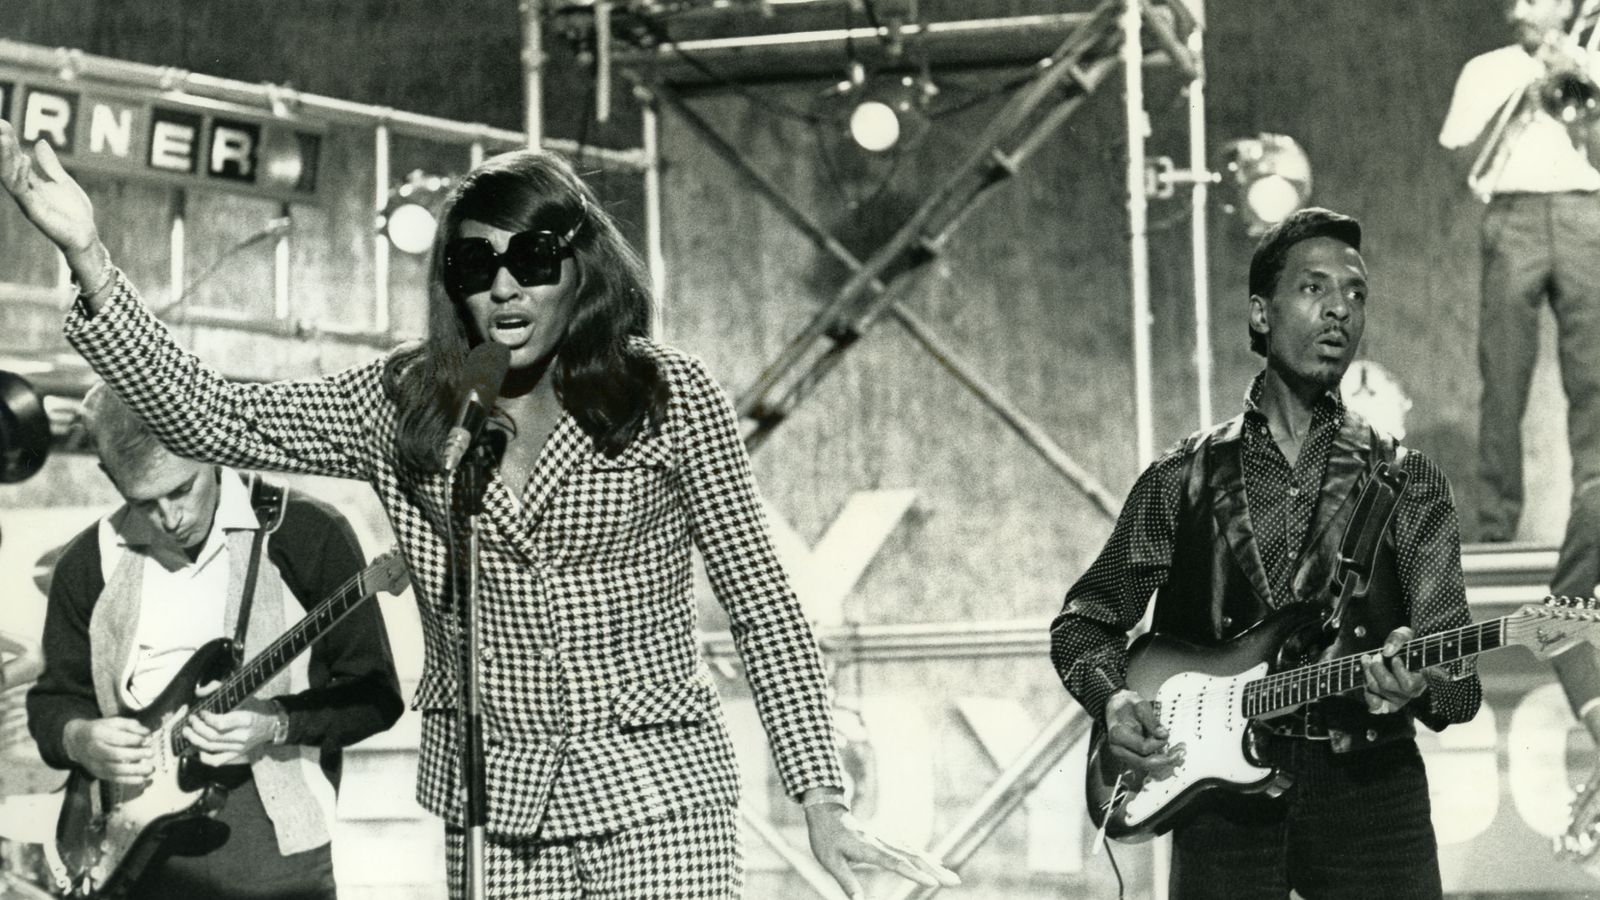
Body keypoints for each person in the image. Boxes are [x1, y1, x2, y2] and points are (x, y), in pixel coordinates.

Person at [0, 122, 958, 899]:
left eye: (533, 256)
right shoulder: (410, 404)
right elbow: (209, 412)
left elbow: (764, 605)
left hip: (661, 797)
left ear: (581, 267)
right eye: (475, 264)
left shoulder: (667, 395)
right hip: (494, 809)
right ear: (452, 284)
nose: (505, 284)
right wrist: (89, 252)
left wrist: (822, 796)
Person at [1049, 208, 1483, 899]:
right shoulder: (1181, 476)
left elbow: (1459, 686)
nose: (1340, 308)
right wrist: (1114, 700)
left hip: (1371, 797)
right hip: (1217, 800)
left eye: (1357, 293)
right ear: (1261, 313)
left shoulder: (1412, 482)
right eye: (1315, 288)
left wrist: (1423, 681)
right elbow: (1085, 623)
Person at [25, 381, 404, 899]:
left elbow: (376, 696)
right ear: (110, 477)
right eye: (145, 502)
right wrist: (80, 740)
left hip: (275, 849)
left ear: (211, 447)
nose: (170, 518)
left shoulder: (307, 533)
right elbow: (53, 701)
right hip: (128, 851)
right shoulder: (87, 561)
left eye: (182, 489)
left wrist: (277, 723)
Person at [1438, 0, 1600, 543]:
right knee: (1504, 376)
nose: (1520, 8)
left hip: (1587, 212)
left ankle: (1594, 525)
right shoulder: (1488, 69)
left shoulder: (1593, 61)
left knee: (1594, 377)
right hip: (1513, 216)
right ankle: (1496, 528)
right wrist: (1521, 99)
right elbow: (1464, 163)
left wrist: (1582, 82)